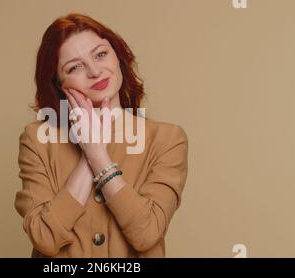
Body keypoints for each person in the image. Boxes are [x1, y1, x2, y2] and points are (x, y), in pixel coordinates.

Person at [14, 13, 188, 258]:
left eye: (100, 54)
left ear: (118, 57)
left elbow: (147, 232)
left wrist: (97, 155)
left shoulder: (167, 139)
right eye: (75, 66)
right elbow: (46, 237)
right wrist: (90, 151)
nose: (95, 71)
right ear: (58, 84)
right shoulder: (37, 140)